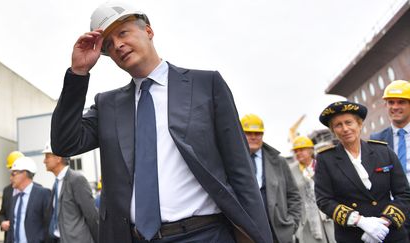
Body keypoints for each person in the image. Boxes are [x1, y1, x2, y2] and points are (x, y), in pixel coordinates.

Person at [50, 2, 273, 243]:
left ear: (148, 31)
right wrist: (78, 72)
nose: (118, 45)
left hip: (205, 235)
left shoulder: (205, 86)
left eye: (123, 33)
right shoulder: (108, 106)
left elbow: (241, 170)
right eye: (108, 45)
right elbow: (64, 144)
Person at [315, 101, 410, 243]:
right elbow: (324, 200)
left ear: (359, 124)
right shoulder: (325, 159)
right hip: (353, 236)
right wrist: (360, 222)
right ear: (333, 130)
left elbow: (404, 193)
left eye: (349, 122)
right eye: (338, 125)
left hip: (392, 234)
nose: (345, 129)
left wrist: (384, 223)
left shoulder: (383, 152)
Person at [241, 114, 302, 243]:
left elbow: (294, 195)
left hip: (279, 232)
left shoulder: (279, 162)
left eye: (257, 133)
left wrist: (292, 224)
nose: (253, 137)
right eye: (248, 133)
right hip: (247, 232)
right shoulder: (233, 162)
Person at [370, 80, 410, 239]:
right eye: (390, 102)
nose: (395, 107)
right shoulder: (377, 140)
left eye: (401, 102)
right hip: (396, 213)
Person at [42, 141, 98, 243]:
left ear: (58, 158)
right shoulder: (57, 183)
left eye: (47, 156)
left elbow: (91, 215)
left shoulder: (76, 180)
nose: (44, 161)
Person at [290, 136, 335, 243]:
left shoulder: (322, 165)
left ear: (311, 150)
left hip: (327, 216)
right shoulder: (290, 171)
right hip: (306, 221)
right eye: (296, 151)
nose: (298, 153)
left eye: (301, 150)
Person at [6, 156, 51, 243]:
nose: (11, 178)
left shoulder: (43, 194)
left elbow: (49, 225)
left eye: (13, 174)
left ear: (24, 173)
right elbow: (11, 230)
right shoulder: (15, 199)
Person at [0, 151, 24, 243]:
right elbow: (2, 213)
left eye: (15, 171)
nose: (12, 176)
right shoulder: (7, 191)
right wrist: (2, 222)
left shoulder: (37, 192)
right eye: (11, 171)